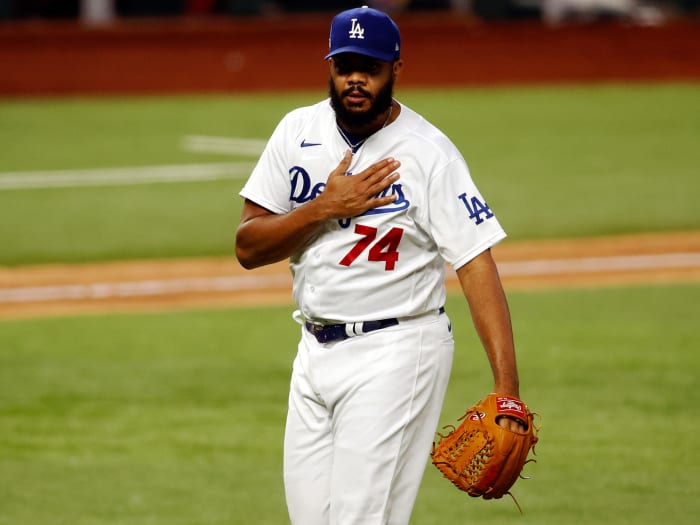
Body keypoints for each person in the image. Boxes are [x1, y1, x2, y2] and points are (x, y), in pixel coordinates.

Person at [235, 5, 524, 524]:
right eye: (345, 66)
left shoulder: (428, 153)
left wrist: (508, 389)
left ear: (395, 70)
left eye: (369, 68)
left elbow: (475, 262)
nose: (355, 80)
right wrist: (324, 207)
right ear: (329, 66)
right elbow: (248, 247)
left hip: (397, 351)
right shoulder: (296, 130)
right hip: (312, 354)